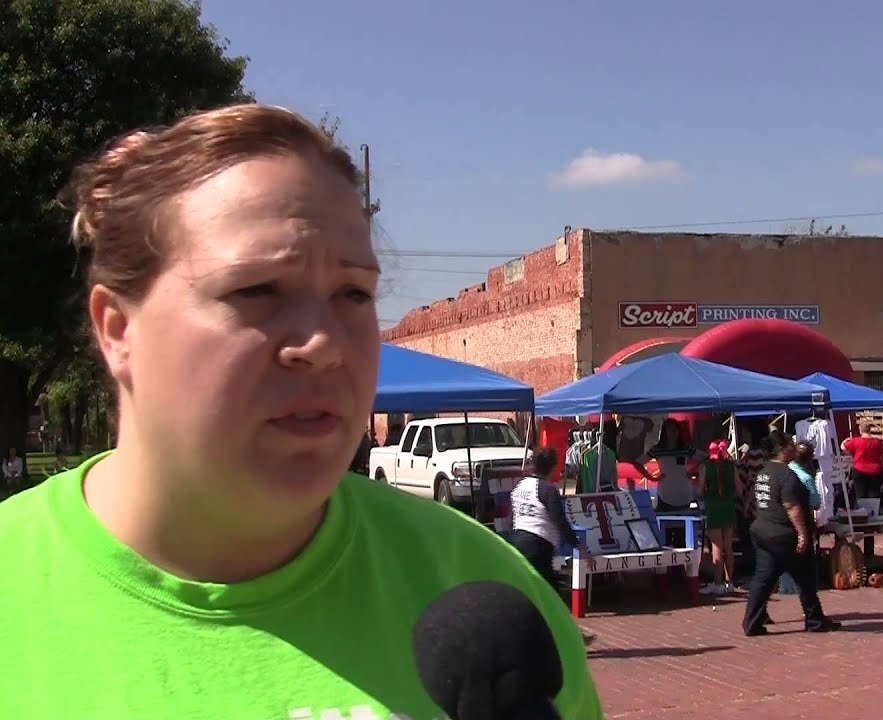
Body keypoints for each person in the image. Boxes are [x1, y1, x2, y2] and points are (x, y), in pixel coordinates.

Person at [0, 104, 602, 718]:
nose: (322, 344)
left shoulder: (484, 590)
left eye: (353, 294)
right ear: (117, 329)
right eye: (257, 289)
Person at [742, 431, 841, 636]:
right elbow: (792, 507)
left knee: (763, 578)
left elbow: (755, 499)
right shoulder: (786, 475)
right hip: (784, 534)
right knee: (805, 577)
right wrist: (803, 534)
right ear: (782, 449)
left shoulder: (763, 471)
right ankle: (814, 620)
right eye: (790, 444)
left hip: (762, 531)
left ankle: (752, 622)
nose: (793, 447)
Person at [509, 447, 596, 646]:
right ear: (552, 467)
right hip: (538, 544)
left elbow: (512, 516)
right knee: (551, 593)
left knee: (533, 591)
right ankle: (568, 637)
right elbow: (560, 522)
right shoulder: (548, 490)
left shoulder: (520, 486)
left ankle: (561, 635)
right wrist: (580, 548)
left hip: (518, 541)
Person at [700, 440, 740, 594]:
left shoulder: (706, 467)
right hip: (728, 507)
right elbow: (739, 488)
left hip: (714, 507)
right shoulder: (732, 467)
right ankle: (730, 582)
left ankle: (717, 583)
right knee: (728, 547)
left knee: (717, 547)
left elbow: (701, 488)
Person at [842, 421, 883, 502]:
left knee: (860, 495)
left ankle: (862, 512)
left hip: (859, 470)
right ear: (870, 430)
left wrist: (845, 440)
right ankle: (874, 512)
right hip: (875, 471)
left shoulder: (855, 441)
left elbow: (843, 448)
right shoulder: (877, 442)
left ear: (860, 430)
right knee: (874, 495)